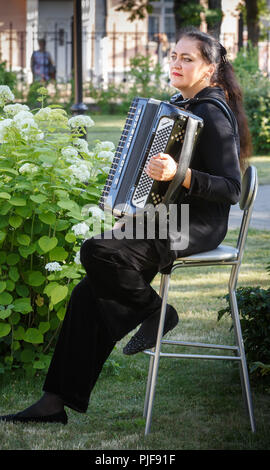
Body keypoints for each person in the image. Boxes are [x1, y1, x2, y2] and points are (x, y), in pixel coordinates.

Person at [0, 28, 252, 425]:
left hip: (197, 224)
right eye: (173, 55)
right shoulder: (180, 105)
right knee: (90, 293)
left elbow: (230, 190)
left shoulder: (211, 112)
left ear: (210, 68)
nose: (176, 63)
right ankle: (53, 403)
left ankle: (156, 312)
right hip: (167, 219)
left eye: (187, 58)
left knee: (98, 250)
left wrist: (181, 176)